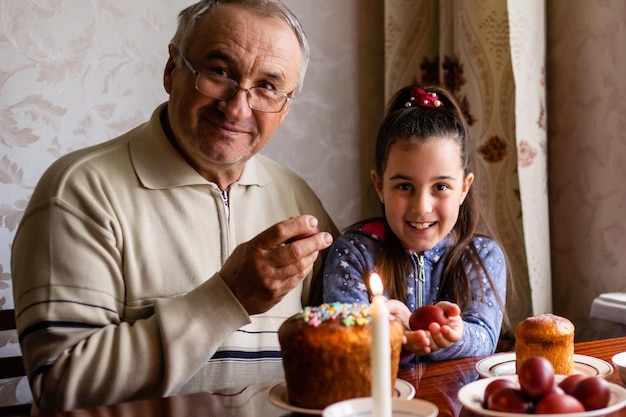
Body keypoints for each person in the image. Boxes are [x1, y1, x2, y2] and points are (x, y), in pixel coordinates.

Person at [10, 0, 338, 413]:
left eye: (268, 87)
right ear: (171, 70)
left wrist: (397, 325)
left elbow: (346, 323)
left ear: (285, 107)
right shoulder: (78, 192)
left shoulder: (297, 197)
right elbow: (62, 387)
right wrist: (228, 297)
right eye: (219, 72)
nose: (238, 107)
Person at [323, 85, 507, 361]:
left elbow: (484, 338)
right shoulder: (354, 253)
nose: (422, 206)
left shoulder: (481, 255)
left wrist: (453, 335)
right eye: (405, 186)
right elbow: (344, 341)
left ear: (464, 189)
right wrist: (399, 334)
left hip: (452, 405)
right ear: (380, 185)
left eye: (441, 186)